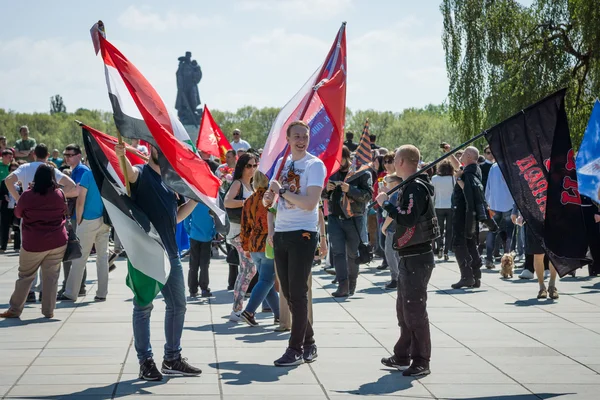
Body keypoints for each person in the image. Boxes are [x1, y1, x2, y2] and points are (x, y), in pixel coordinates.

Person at [114, 142, 202, 381]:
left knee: (178, 305)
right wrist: (121, 156)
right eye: (157, 143)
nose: (161, 148)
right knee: (143, 307)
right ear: (150, 147)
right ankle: (146, 361)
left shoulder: (169, 181)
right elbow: (129, 173)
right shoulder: (140, 173)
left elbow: (176, 217)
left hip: (170, 253)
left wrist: (196, 198)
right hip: (145, 253)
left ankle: (172, 358)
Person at [263, 120, 326, 367]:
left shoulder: (314, 165)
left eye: (305, 136)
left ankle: (295, 348)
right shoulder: (282, 164)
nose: (301, 140)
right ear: (287, 139)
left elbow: (310, 203)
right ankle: (309, 341)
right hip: (282, 232)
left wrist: (281, 192)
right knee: (288, 293)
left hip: (303, 233)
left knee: (298, 293)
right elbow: (270, 200)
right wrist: (269, 197)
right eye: (296, 136)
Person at [376, 145, 438, 377]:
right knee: (403, 309)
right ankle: (403, 353)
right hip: (408, 255)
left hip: (417, 256)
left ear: (401, 161)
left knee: (414, 310)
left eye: (395, 159)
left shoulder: (415, 187)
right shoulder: (410, 185)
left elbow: (409, 218)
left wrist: (387, 204)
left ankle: (421, 359)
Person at [0, 164, 68, 319]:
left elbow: (18, 213)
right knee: (51, 277)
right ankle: (48, 310)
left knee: (26, 276)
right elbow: (64, 211)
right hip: (57, 240)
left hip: (34, 242)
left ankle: (15, 309)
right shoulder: (59, 194)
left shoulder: (28, 195)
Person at [325, 146, 372, 297]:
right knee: (338, 253)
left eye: (341, 159)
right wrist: (327, 189)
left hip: (354, 218)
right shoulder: (332, 172)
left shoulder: (361, 173)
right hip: (334, 218)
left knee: (352, 253)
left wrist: (350, 189)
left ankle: (351, 283)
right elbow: (322, 194)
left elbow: (368, 196)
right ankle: (342, 285)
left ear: (347, 157)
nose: (339, 163)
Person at [58, 169, 111, 302]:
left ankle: (71, 292)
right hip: (105, 219)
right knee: (102, 257)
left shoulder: (88, 174)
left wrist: (80, 219)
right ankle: (102, 293)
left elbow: (81, 198)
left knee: (80, 257)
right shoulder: (108, 173)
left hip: (88, 219)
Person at [239, 170, 280, 326]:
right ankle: (249, 311)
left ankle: (279, 315)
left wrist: (246, 247)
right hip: (267, 244)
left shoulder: (249, 200)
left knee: (266, 282)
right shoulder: (270, 200)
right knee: (266, 280)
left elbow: (244, 226)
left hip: (253, 244)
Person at [446, 146, 488, 289]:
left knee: (459, 243)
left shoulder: (469, 174)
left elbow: (467, 189)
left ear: (469, 156)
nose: (461, 156)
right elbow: (459, 166)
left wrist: (457, 179)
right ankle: (476, 276)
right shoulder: (473, 169)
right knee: (470, 243)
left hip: (464, 213)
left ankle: (467, 276)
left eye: (463, 154)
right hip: (469, 214)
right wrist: (449, 153)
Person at [224, 153, 257, 321]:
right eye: (248, 166)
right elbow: (227, 201)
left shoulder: (251, 185)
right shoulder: (238, 183)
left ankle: (237, 309)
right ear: (242, 167)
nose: (252, 169)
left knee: (247, 269)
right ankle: (237, 309)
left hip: (248, 233)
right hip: (238, 232)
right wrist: (246, 202)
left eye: (254, 165)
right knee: (249, 268)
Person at [484, 162, 514, 269]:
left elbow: (489, 185)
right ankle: (507, 260)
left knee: (492, 230)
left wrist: (487, 201)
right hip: (509, 202)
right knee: (509, 232)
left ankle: (488, 258)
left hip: (495, 203)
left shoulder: (494, 166)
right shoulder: (511, 163)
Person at [184, 201, 215, 298]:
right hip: (207, 237)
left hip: (194, 236)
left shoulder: (193, 201)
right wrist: (213, 233)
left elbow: (186, 219)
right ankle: (204, 288)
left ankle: (193, 290)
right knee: (204, 265)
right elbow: (216, 220)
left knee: (193, 264)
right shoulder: (211, 202)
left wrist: (190, 231)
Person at [381, 174, 402, 289]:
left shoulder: (394, 196)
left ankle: (395, 277)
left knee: (390, 253)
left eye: (387, 182)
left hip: (392, 228)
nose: (385, 184)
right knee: (396, 254)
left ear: (394, 183)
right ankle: (399, 276)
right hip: (397, 228)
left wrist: (383, 227)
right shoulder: (396, 194)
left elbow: (391, 215)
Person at [431, 160, 454, 261]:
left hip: (438, 205)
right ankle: (446, 251)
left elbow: (433, 194)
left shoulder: (434, 178)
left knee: (438, 229)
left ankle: (440, 246)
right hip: (450, 206)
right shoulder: (453, 178)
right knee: (449, 230)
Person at [0, 162, 20, 253]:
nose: (14, 172)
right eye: (12, 170)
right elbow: (1, 194)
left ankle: (17, 246)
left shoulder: (21, 182)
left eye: (16, 170)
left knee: (17, 227)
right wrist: (4, 196)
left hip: (17, 207)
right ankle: (3, 247)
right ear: (9, 171)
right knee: (4, 227)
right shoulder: (4, 181)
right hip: (6, 207)